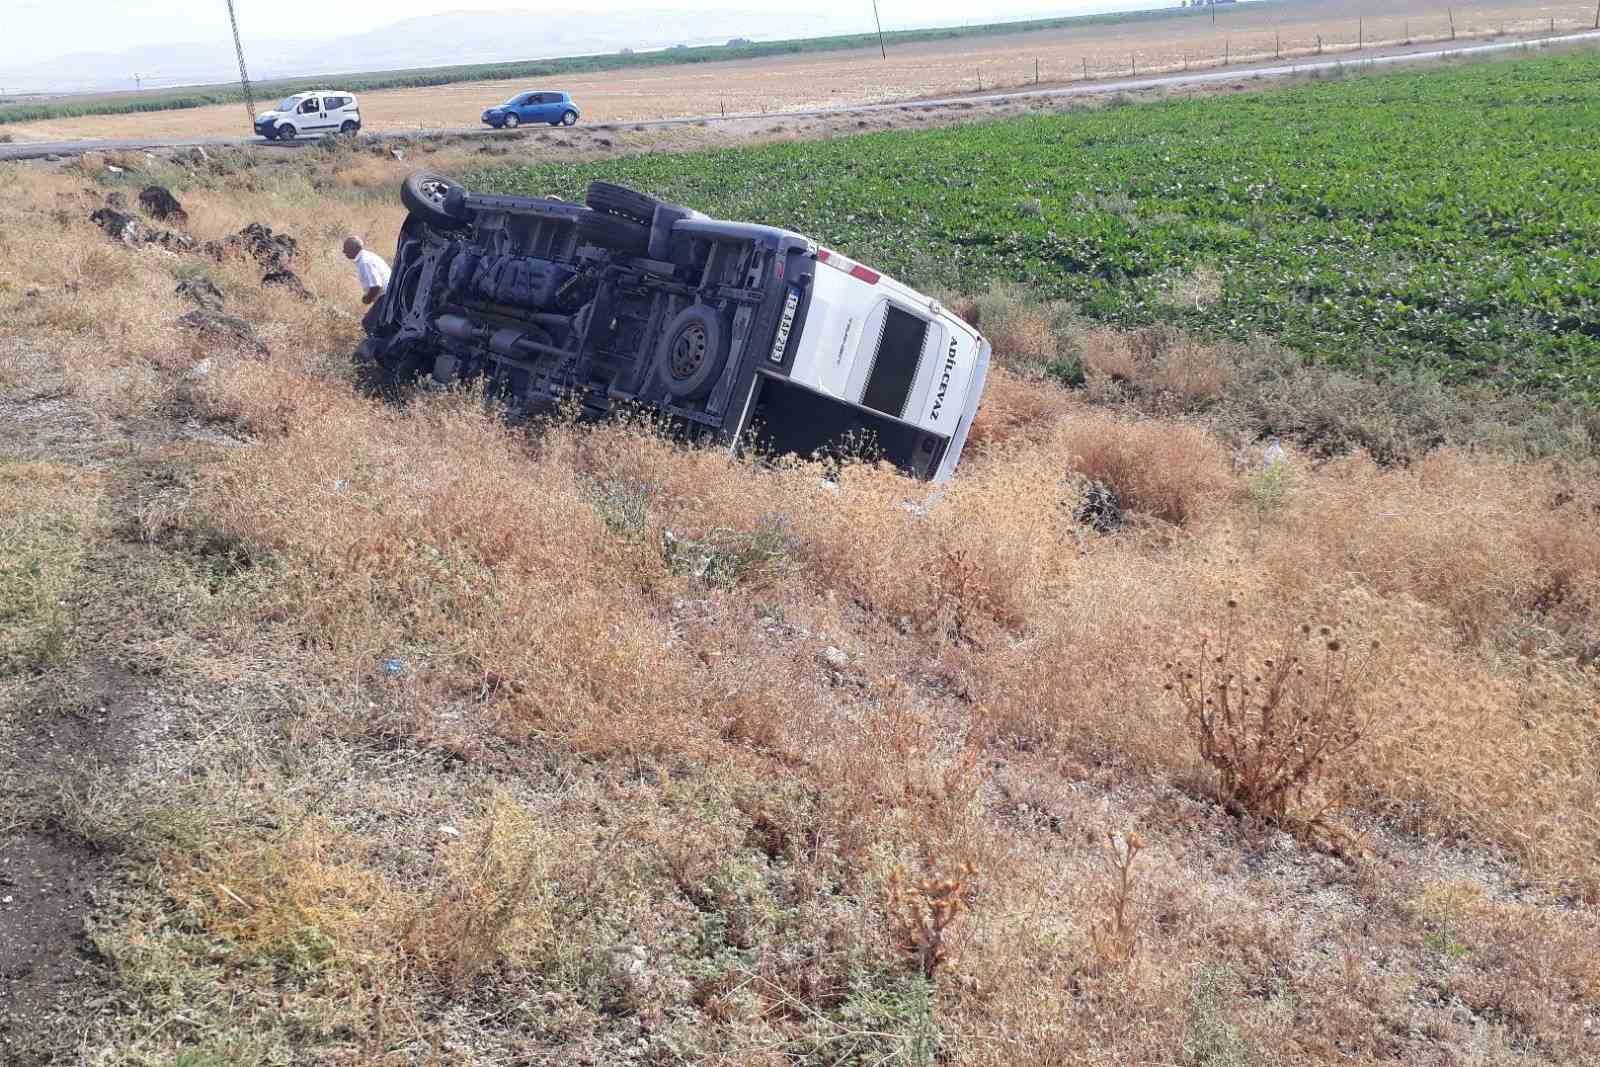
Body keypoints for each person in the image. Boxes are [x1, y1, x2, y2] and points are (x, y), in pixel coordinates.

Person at [343, 236, 391, 331]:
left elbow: (376, 285)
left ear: (353, 249)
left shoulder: (364, 262)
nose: (343, 252)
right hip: (390, 294)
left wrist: (367, 299)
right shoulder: (367, 256)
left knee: (368, 324)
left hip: (386, 297)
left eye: (346, 249)